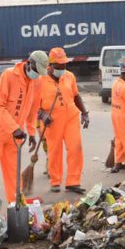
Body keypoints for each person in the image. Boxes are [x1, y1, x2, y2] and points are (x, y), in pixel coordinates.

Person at [0, 50, 48, 203]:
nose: (37, 75)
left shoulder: (37, 81)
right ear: (29, 63)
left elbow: (33, 108)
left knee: (13, 171)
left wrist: (31, 133)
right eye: (37, 71)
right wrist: (14, 128)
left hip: (16, 133)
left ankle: (16, 201)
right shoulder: (9, 75)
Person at [37, 48, 88, 194]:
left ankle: (73, 182)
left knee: (75, 149)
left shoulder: (69, 76)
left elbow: (76, 96)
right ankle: (55, 181)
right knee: (55, 152)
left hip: (71, 118)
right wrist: (43, 115)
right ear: (51, 66)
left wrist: (84, 113)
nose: (63, 68)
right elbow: (33, 104)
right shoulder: (40, 80)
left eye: (64, 65)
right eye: (59, 66)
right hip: (52, 121)